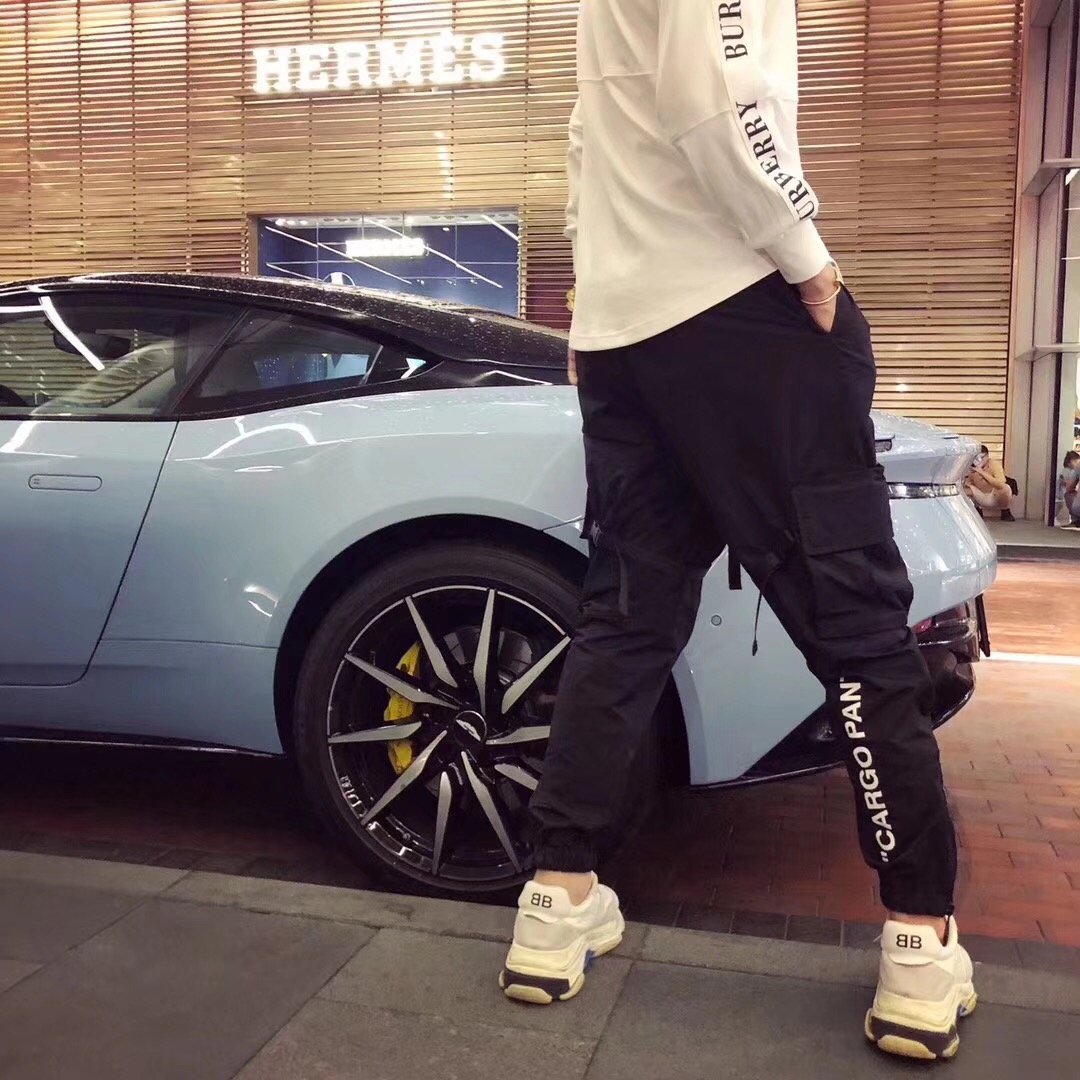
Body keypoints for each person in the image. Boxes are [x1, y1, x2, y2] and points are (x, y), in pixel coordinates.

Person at [500, 0, 975, 1062]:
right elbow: (718, 97)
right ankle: (918, 936)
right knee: (857, 626)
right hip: (742, 311)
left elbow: (590, 129)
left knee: (626, 616)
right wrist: (807, 258)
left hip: (624, 329)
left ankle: (556, 897)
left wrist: (592, 298)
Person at [964, 446, 1014, 520]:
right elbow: (968, 483)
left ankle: (1005, 510)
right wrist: (967, 476)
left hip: (994, 496)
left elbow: (1001, 484)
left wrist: (981, 472)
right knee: (962, 490)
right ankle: (976, 510)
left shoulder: (994, 465)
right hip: (981, 495)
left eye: (981, 457)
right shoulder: (972, 467)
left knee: (1006, 488)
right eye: (976, 458)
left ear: (987, 456)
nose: (979, 461)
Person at [1059, 451, 1080, 529]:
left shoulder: (1078, 466)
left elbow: (1069, 488)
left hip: (1078, 508)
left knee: (1068, 494)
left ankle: (1076, 521)